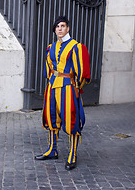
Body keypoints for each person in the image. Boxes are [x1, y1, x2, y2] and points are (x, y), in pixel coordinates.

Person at [34, 16, 91, 171]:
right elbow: (49, 66)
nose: (59, 29)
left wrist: (77, 87)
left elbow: (83, 71)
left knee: (71, 119)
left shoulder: (76, 47)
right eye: (57, 26)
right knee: (52, 118)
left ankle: (72, 155)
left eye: (63, 26)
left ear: (68, 28)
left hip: (68, 87)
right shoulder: (51, 47)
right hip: (52, 86)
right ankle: (52, 150)